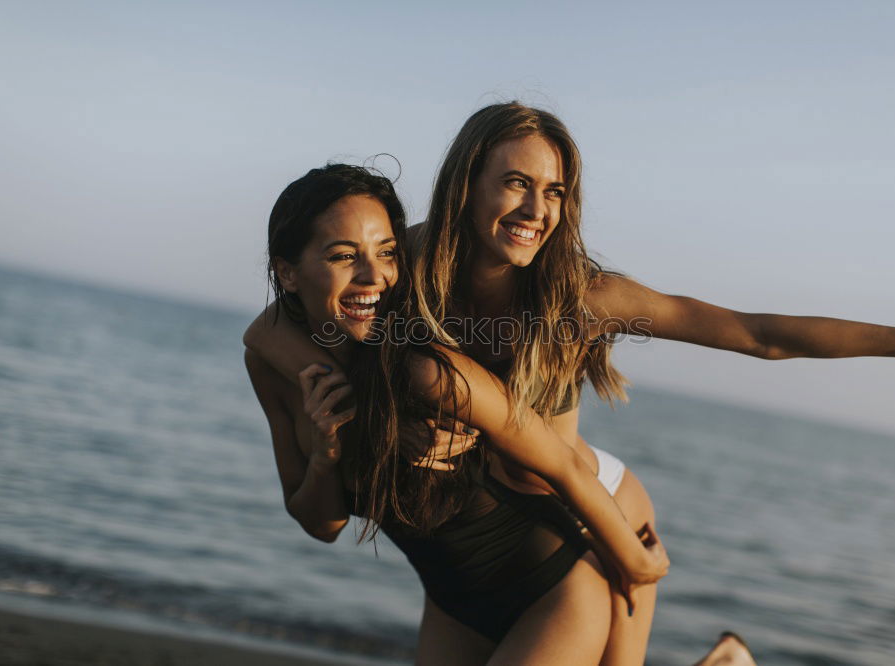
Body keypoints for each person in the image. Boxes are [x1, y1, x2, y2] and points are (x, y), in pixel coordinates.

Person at [246, 102, 895, 664]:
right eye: (516, 183)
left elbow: (761, 336)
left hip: (590, 515)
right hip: (475, 541)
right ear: (467, 184)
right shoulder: (400, 264)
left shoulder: (582, 298)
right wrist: (325, 401)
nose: (537, 210)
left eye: (556, 192)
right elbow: (271, 326)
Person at [244, 164, 673, 666]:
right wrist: (325, 451)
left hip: (555, 580)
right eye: (342, 256)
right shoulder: (275, 362)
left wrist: (638, 566)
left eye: (387, 252)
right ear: (288, 271)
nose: (373, 275)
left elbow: (560, 463)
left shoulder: (428, 366)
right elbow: (321, 525)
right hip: (452, 602)